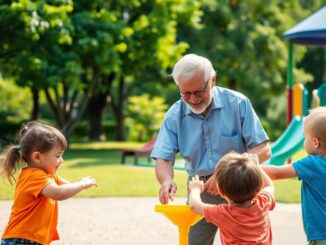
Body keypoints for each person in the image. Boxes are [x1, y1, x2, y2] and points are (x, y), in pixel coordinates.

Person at [150, 53, 271, 245]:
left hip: (241, 188)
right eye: (185, 93)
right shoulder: (174, 114)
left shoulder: (238, 103)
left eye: (198, 92)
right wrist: (166, 180)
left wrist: (226, 174)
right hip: (200, 189)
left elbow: (263, 149)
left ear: (212, 80)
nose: (192, 98)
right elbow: (163, 158)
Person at [0, 121, 97, 245]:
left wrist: (80, 183)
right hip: (21, 239)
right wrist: (82, 184)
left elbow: (66, 186)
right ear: (37, 157)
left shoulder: (47, 176)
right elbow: (59, 193)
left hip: (27, 239)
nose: (61, 160)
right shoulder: (34, 176)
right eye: (57, 156)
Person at [262, 106, 326, 245]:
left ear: (315, 142)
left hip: (321, 235)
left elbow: (277, 173)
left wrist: (250, 167)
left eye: (305, 138)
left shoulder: (313, 163)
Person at [189, 152, 275, 244]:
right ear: (258, 187)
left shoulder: (224, 213)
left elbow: (195, 206)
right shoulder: (263, 203)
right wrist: (256, 166)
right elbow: (269, 186)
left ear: (221, 191)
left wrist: (195, 189)